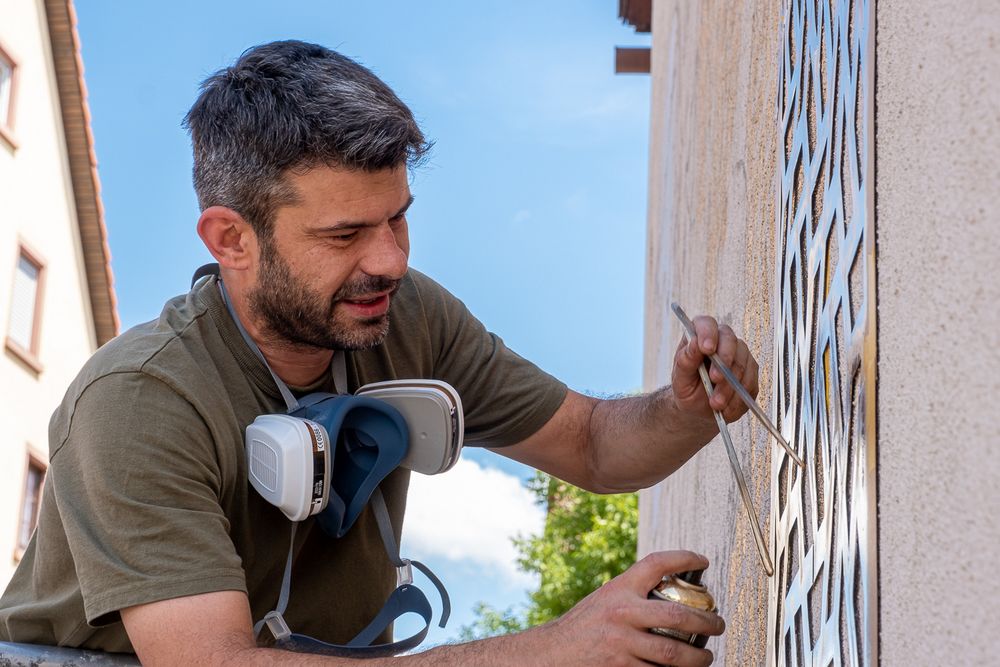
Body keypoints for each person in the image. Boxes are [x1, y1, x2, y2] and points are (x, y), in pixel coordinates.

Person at [0, 41, 761, 667]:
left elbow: (594, 445)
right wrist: (554, 648)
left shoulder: (401, 314)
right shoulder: (138, 402)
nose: (390, 259)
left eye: (398, 218)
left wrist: (684, 409)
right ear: (231, 239)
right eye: (344, 235)